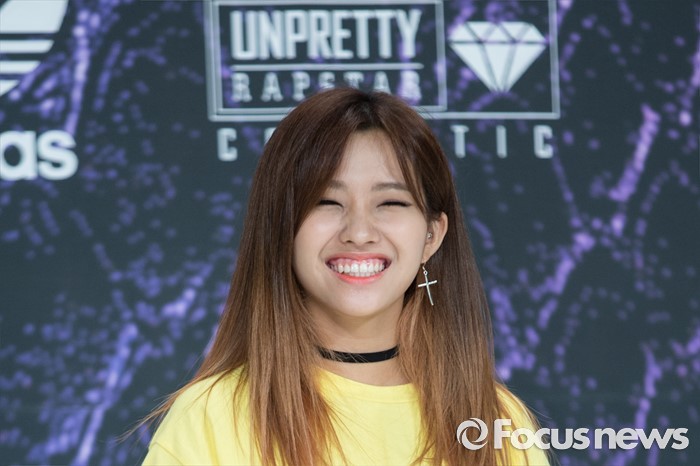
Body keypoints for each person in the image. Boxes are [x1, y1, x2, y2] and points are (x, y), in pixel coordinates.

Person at [142, 88, 551, 465]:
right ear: (282, 228)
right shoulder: (210, 418)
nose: (358, 232)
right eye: (326, 201)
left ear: (432, 235)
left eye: (390, 202)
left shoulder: (499, 423)